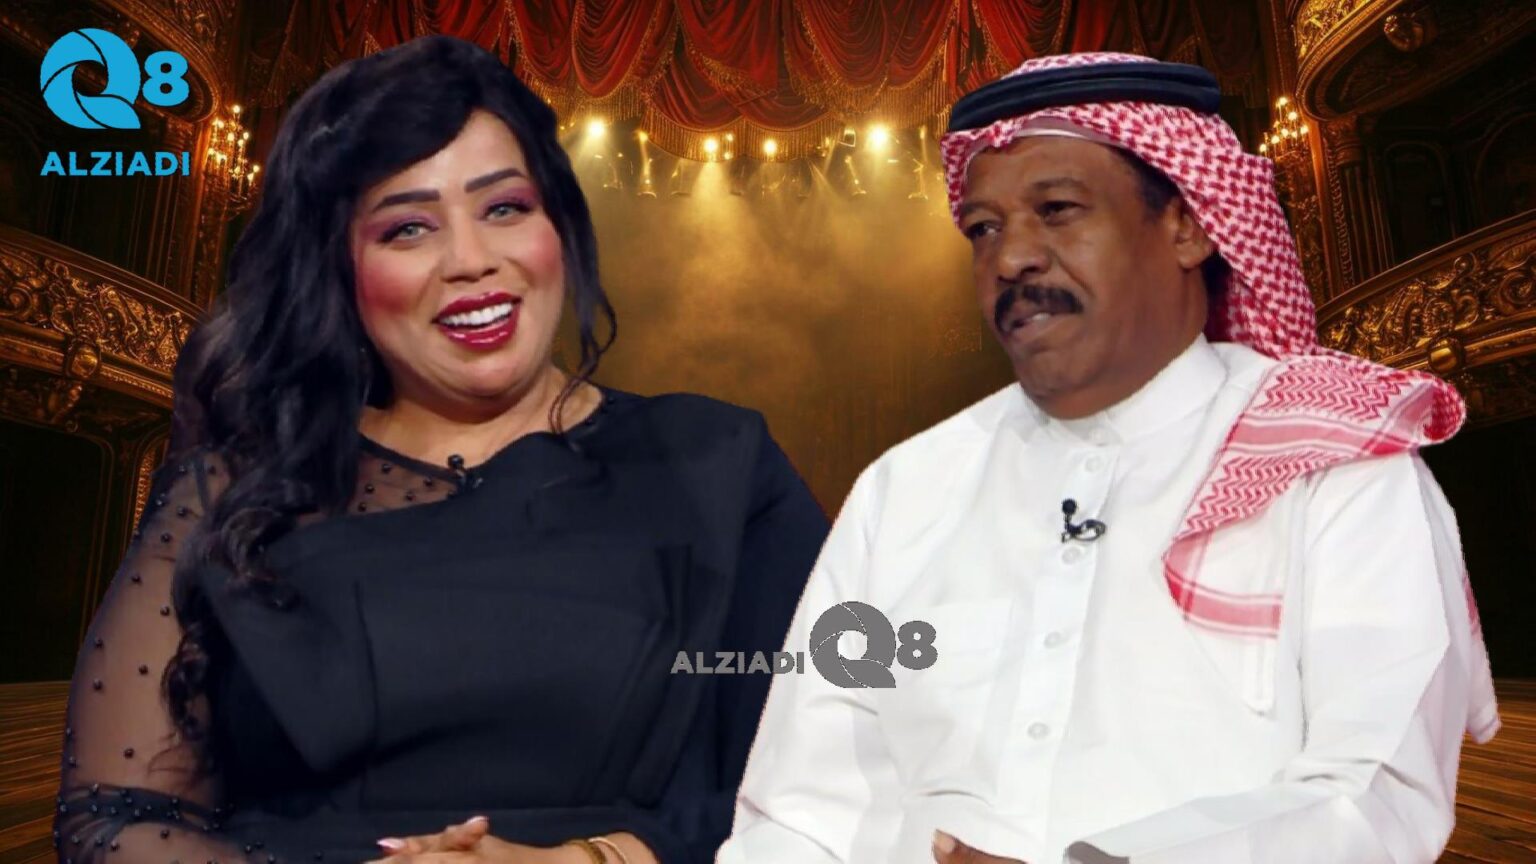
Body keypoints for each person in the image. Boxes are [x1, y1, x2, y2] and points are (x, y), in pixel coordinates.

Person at [52, 35, 828, 864]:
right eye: (408, 228)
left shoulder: (720, 463)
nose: (471, 261)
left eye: (504, 209)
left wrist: (593, 861)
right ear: (338, 267)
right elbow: (112, 820)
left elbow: (840, 776)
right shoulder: (231, 495)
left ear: (559, 225)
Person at [716, 53, 1500, 864]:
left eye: (1057, 210)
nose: (1010, 259)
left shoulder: (1333, 462)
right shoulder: (905, 486)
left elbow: (1375, 793)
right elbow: (805, 806)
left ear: (1189, 225)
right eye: (984, 229)